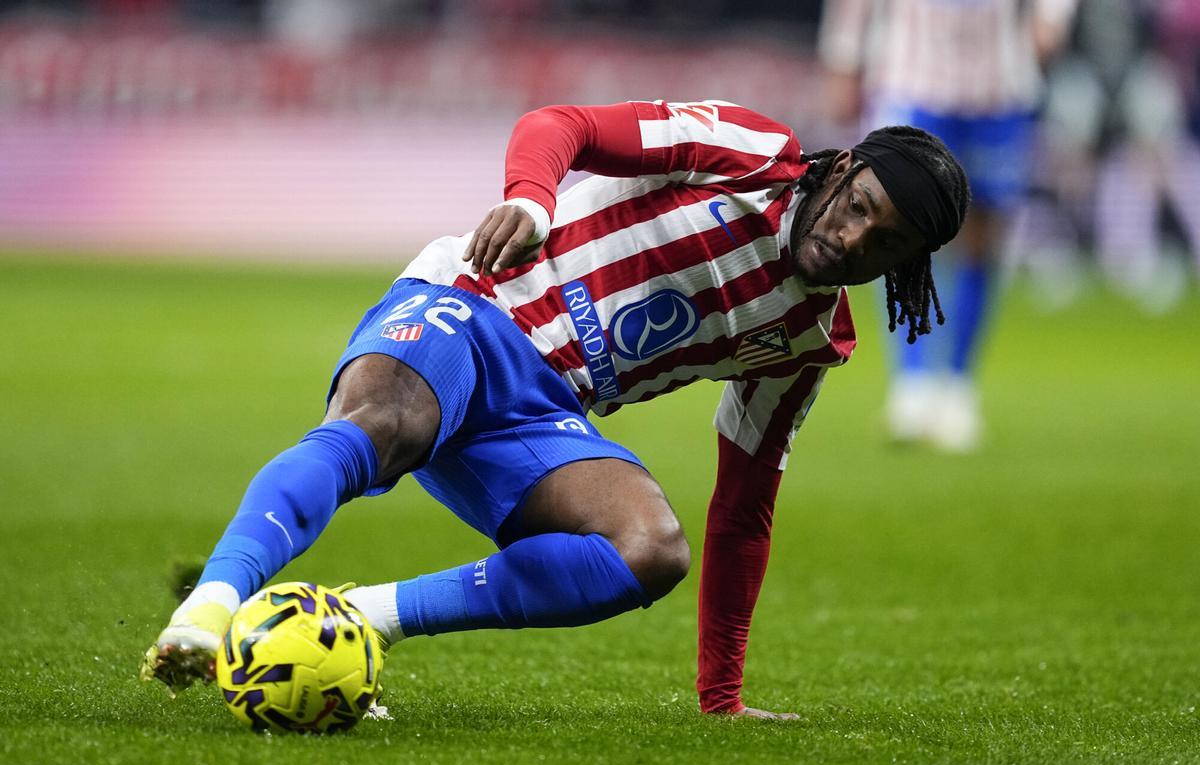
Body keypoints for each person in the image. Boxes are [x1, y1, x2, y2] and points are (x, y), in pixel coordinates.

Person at [141, 100, 969, 719]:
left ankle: (360, 616)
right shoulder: (749, 152)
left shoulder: (807, 339)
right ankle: (210, 606)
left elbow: (744, 510)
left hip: (540, 416)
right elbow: (562, 123)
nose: (856, 241)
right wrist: (533, 199)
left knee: (651, 550)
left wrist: (722, 696)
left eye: (887, 245)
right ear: (843, 168)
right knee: (385, 426)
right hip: (475, 302)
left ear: (908, 269)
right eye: (860, 207)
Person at [820, 0, 1076, 452]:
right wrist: (843, 60)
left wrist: (1051, 18)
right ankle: (912, 386)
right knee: (897, 231)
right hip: (911, 85)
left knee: (982, 240)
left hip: (999, 88)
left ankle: (958, 388)